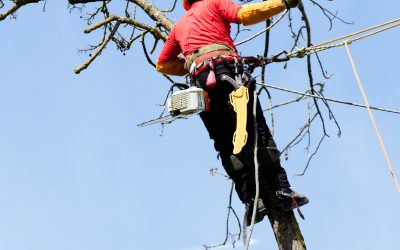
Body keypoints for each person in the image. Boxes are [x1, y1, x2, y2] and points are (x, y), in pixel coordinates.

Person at [156, 0, 308, 224]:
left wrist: (192, 63)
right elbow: (246, 14)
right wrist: (283, 3)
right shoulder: (213, 3)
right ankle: (281, 190)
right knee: (256, 128)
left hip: (201, 85)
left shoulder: (179, 26)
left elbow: (162, 64)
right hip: (229, 71)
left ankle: (252, 201)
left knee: (225, 140)